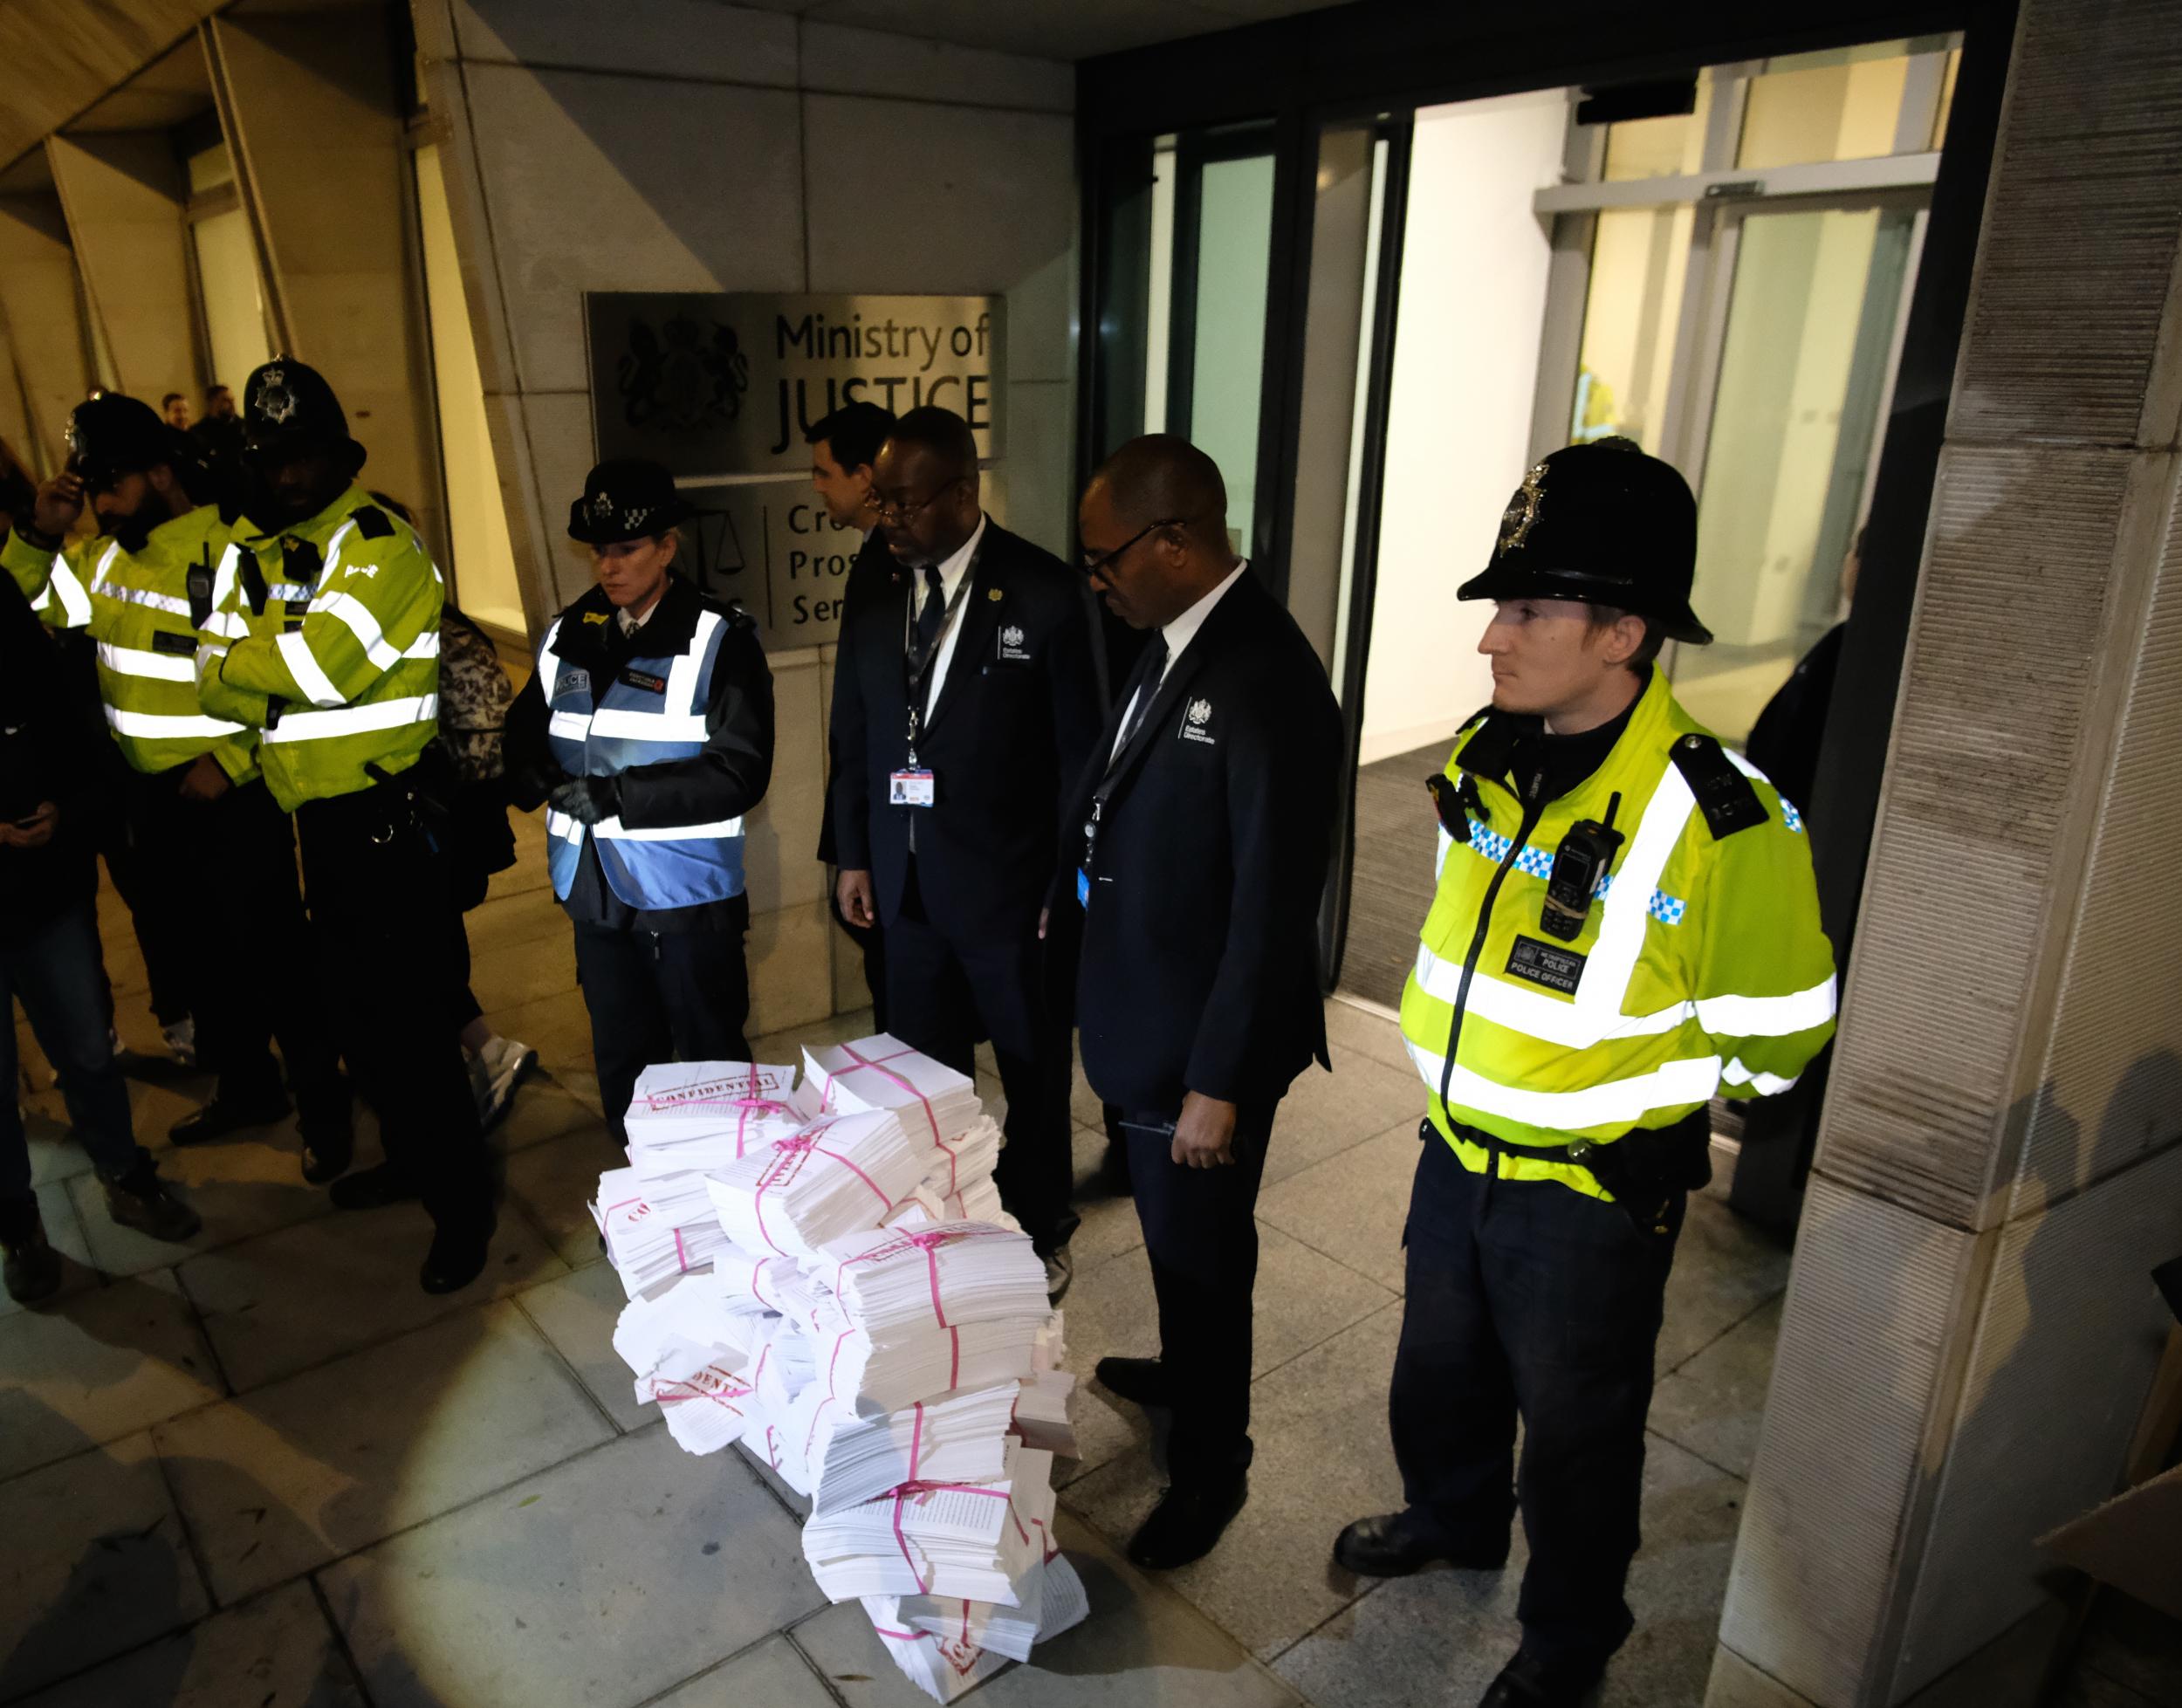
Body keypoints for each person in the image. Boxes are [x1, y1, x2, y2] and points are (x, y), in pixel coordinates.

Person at [1331, 440, 1837, 1708]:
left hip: (1591, 1198)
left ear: (1624, 631)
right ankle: (1453, 1515)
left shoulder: (1729, 820)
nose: (1492, 638)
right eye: (1502, 606)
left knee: (1578, 1433)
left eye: (1528, 609)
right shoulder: (1487, 753)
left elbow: (1782, 1029)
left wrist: (1642, 1095)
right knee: (1439, 1373)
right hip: (1455, 1155)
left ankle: (1569, 1640)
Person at [1069, 434, 1342, 1568]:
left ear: (1175, 541)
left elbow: (1274, 913)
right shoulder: (1175, 638)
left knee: (1202, 1259)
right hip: (1145, 1012)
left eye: (1107, 557)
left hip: (1199, 1051)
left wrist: (1218, 1085)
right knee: (1180, 1251)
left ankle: (1211, 1466)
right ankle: (1183, 1375)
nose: (1097, 578)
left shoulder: (1267, 679)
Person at [195, 357, 496, 1293]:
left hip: (387, 825)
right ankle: (410, 1159)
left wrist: (245, 653)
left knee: (411, 1026)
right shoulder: (259, 553)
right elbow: (208, 675)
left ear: (337, 456)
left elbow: (322, 671)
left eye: (303, 458)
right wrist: (250, 658)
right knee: (362, 1024)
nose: (287, 477)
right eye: (273, 459)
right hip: (316, 824)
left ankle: (464, 1210)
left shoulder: (378, 543)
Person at [3, 393, 350, 1163]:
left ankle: (325, 1113)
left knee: (276, 958)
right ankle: (248, 1087)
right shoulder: (101, 558)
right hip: (149, 801)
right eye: (88, 485)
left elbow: (289, 666)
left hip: (230, 793)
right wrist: (37, 533)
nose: (97, 498)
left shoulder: (234, 547)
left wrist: (229, 762)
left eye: (110, 481)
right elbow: (16, 608)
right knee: (202, 960)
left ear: (160, 473)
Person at [827, 405, 1100, 1301]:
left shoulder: (1044, 592)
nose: (889, 520)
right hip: (904, 882)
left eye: (905, 504)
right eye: (881, 503)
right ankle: (940, 1214)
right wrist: (854, 853)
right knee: (919, 1070)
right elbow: (856, 727)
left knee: (1029, 1069)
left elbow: (1078, 758)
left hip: (1009, 889)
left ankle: (1039, 1222)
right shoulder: (874, 583)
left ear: (961, 492)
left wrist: (1065, 883)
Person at [504, 459, 774, 1145]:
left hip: (684, 893)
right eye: (600, 550)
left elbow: (740, 771)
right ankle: (648, 1203)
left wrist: (617, 795)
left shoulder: (719, 637)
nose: (609, 565)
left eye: (626, 548)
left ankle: (730, 1205)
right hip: (592, 887)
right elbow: (524, 727)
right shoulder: (571, 629)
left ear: (667, 547)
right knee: (625, 1060)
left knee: (709, 1060)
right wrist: (532, 774)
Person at [1, 566, 198, 1303]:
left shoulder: (13, 628)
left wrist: (62, 814)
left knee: (87, 1048)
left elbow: (77, 749)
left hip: (48, 899)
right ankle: (19, 1225)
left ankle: (124, 1175)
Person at [809, 401, 897, 1027]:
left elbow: (865, 724)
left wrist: (854, 848)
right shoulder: (871, 563)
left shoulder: (891, 568)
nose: (814, 487)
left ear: (865, 477)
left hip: (894, 839)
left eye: (823, 472)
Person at [1745, 525, 1862, 815]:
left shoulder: (1848, 648)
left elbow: (1789, 738)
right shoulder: (1851, 643)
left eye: (1851, 550)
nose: (1845, 561)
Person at [191, 383, 247, 472]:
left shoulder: (244, 426)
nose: (232, 404)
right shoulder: (199, 432)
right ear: (213, 402)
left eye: (232, 400)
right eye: (226, 401)